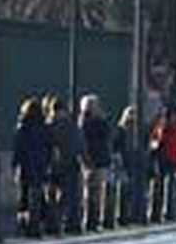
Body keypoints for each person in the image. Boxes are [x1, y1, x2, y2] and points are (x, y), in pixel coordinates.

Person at [12, 97, 53, 237]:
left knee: (24, 196)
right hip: (40, 164)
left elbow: (18, 148)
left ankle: (24, 223)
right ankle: (38, 222)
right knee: (38, 192)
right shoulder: (44, 127)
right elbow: (49, 147)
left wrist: (15, 164)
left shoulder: (22, 127)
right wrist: (48, 162)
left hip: (25, 165)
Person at [45, 95, 83, 235]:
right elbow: (79, 143)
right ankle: (67, 221)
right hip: (69, 163)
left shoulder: (48, 125)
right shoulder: (71, 124)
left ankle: (53, 222)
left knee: (52, 195)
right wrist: (83, 158)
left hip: (52, 165)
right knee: (68, 195)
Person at [78, 95, 111, 232]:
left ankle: (89, 219)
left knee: (88, 192)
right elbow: (106, 136)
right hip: (97, 160)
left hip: (88, 160)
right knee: (96, 193)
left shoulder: (82, 121)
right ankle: (94, 220)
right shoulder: (98, 121)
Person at [112, 106, 142, 225]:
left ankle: (132, 213)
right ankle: (123, 215)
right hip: (124, 163)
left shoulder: (138, 131)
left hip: (134, 162)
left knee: (134, 189)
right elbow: (116, 146)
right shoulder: (120, 130)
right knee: (124, 190)